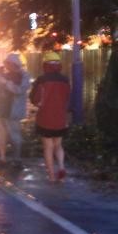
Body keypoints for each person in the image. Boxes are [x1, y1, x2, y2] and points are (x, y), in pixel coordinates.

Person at [30, 51, 71, 182]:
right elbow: (68, 98)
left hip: (45, 118)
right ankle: (61, 167)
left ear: (45, 64)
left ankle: (52, 176)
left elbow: (34, 98)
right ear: (59, 65)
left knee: (48, 147)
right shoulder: (65, 80)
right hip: (60, 117)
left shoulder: (41, 80)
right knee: (58, 145)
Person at [0, 52, 30, 166]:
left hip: (13, 110)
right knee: (1, 135)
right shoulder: (6, 74)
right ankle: (2, 158)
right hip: (1, 108)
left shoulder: (24, 76)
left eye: (8, 63)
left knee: (15, 135)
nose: (6, 66)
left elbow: (19, 90)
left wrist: (5, 82)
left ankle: (17, 159)